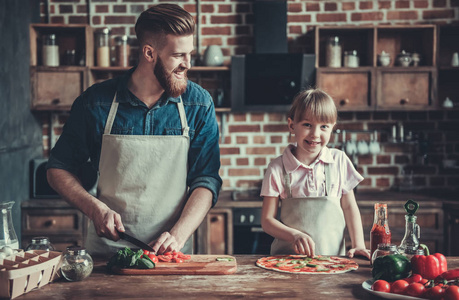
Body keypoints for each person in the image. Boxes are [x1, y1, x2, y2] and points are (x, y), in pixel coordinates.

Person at [46, 4, 222, 256]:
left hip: (170, 254)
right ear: (149, 53)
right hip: (107, 255)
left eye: (189, 54)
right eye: (178, 56)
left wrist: (178, 235)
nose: (188, 64)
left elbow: (206, 179)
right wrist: (95, 208)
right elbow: (57, 169)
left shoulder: (198, 103)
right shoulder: (96, 102)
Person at [260, 88, 370, 259]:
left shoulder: (339, 161)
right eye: (307, 125)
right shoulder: (277, 168)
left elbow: (349, 207)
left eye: (324, 126)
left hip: (332, 261)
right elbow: (267, 221)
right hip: (287, 260)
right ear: (291, 125)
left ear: (332, 128)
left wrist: (359, 245)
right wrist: (294, 235)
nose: (315, 134)